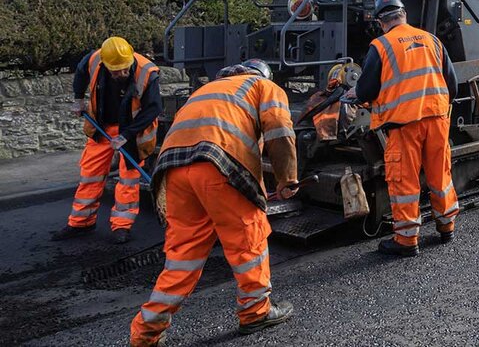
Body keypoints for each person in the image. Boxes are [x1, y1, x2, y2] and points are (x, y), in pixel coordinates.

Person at [128, 59, 299, 346]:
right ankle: (255, 312)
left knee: (184, 253)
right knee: (247, 239)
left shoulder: (206, 90)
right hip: (217, 164)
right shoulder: (263, 86)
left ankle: (146, 330)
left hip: (172, 169)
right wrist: (287, 179)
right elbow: (279, 130)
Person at [354, 0, 459, 257]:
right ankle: (447, 227)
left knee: (405, 182)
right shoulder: (431, 40)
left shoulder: (381, 46)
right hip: (436, 120)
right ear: (404, 15)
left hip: (404, 125)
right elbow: (453, 85)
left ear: (381, 22)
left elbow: (365, 91)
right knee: (440, 175)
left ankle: (406, 240)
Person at [53, 36, 161, 244]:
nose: (121, 73)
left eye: (124, 69)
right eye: (116, 70)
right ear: (104, 63)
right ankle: (81, 222)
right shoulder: (94, 59)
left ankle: (121, 226)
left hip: (132, 130)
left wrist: (125, 135)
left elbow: (153, 109)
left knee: (128, 179)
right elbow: (81, 73)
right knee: (90, 174)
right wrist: (78, 100)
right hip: (101, 127)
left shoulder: (148, 72)